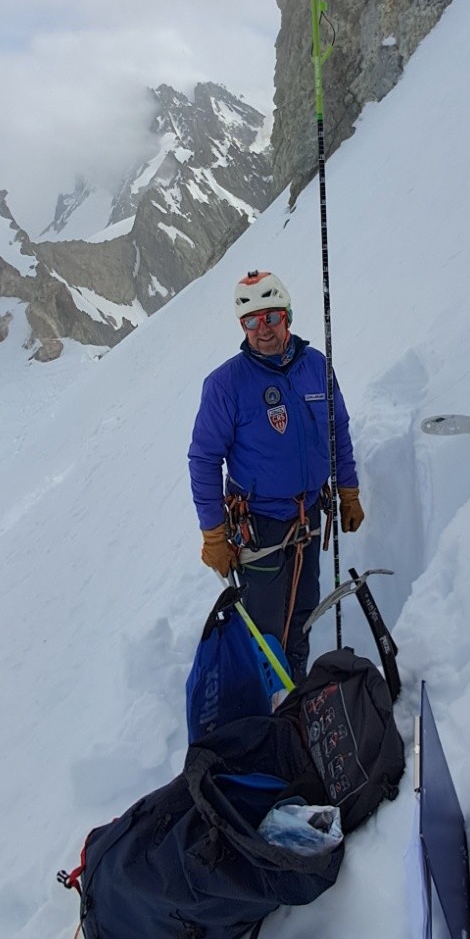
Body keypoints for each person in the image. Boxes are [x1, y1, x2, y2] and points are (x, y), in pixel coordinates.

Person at [187, 269, 365, 682]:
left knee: (303, 613)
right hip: (260, 526)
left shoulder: (316, 367)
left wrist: (348, 490)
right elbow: (204, 460)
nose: (262, 329)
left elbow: (337, 430)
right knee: (264, 628)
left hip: (310, 515)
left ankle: (295, 691)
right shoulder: (226, 385)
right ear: (242, 327)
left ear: (287, 315)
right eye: (251, 321)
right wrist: (213, 535)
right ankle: (267, 703)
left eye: (270, 317)